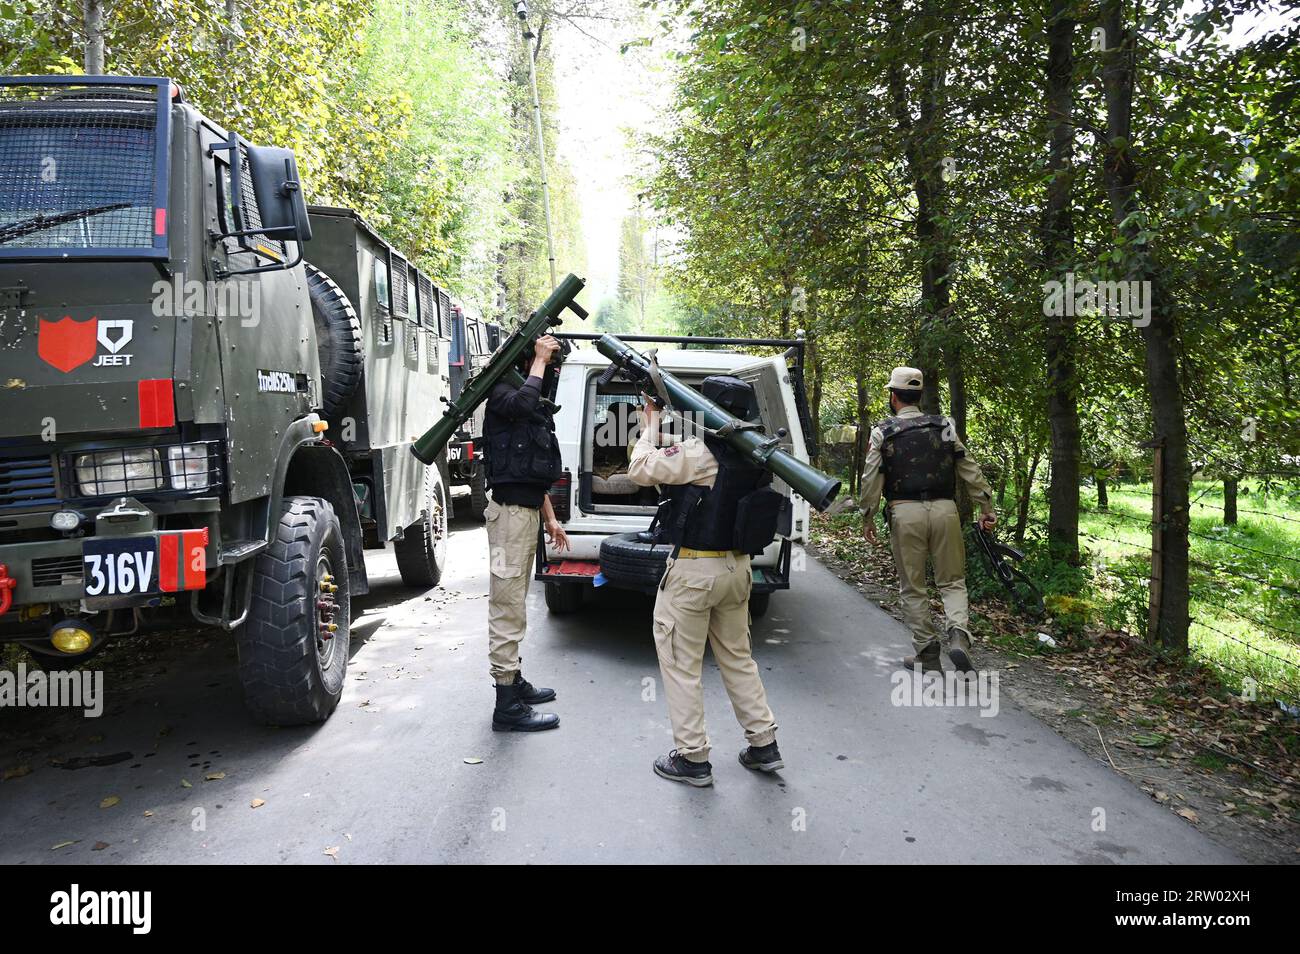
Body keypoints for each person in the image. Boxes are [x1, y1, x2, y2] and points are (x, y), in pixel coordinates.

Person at [627, 376, 781, 787]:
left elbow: (640, 469)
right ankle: (764, 744)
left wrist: (649, 423)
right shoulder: (757, 453)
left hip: (695, 572)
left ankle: (693, 759)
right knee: (737, 658)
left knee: (681, 665)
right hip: (738, 570)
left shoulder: (699, 453)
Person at [858, 367, 996, 673]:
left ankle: (927, 653)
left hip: (905, 512)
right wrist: (986, 505)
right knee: (952, 580)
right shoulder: (944, 426)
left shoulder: (883, 431)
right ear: (919, 396)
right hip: (945, 510)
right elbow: (969, 468)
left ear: (893, 396)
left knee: (914, 586)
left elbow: (871, 478)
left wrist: (867, 515)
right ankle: (958, 635)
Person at [482, 334, 570, 732]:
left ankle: (514, 681)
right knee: (507, 606)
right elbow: (522, 402)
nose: (548, 370)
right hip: (509, 519)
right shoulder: (502, 392)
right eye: (544, 363)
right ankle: (506, 705)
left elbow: (528, 473)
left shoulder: (523, 398)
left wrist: (549, 516)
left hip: (526, 512)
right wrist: (538, 359)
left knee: (515, 601)